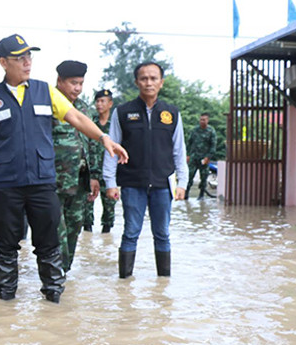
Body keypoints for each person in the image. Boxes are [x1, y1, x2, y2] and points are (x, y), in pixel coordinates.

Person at [0, 34, 128, 303]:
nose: (27, 62)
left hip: (43, 182)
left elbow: (77, 117)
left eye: (29, 56)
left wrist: (103, 138)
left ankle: (53, 296)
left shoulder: (45, 91)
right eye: (19, 58)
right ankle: (6, 297)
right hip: (6, 184)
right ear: (3, 62)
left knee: (49, 242)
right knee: (5, 244)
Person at [103, 62, 188, 279]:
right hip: (132, 183)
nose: (148, 83)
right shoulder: (122, 112)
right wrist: (110, 183)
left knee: (162, 234)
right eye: (143, 78)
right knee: (131, 232)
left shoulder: (172, 113)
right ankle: (124, 283)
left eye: (153, 78)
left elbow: (179, 150)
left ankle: (163, 283)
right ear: (136, 82)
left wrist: (182, 183)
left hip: (162, 184)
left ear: (161, 82)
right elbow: (111, 148)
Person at [52, 60, 98, 271]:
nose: (77, 88)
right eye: (73, 83)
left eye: (80, 83)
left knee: (75, 226)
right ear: (60, 81)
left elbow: (91, 143)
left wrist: (94, 176)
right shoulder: (48, 106)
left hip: (79, 180)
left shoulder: (83, 108)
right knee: (55, 229)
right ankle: (54, 272)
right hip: (54, 181)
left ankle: (65, 270)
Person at [85, 89, 118, 233]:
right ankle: (88, 242)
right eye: (97, 101)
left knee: (109, 208)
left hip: (109, 173)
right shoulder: (90, 123)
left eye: (102, 101)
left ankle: (106, 238)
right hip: (91, 171)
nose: (99, 104)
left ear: (110, 103)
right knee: (86, 209)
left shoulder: (115, 125)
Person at [185, 112, 217, 199]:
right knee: (189, 175)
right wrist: (188, 155)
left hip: (204, 158)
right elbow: (189, 142)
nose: (202, 121)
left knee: (204, 177)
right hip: (194, 157)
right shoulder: (195, 130)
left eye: (204, 120)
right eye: (201, 119)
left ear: (207, 120)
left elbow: (213, 146)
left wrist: (208, 157)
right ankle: (186, 194)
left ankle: (201, 195)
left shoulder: (211, 131)